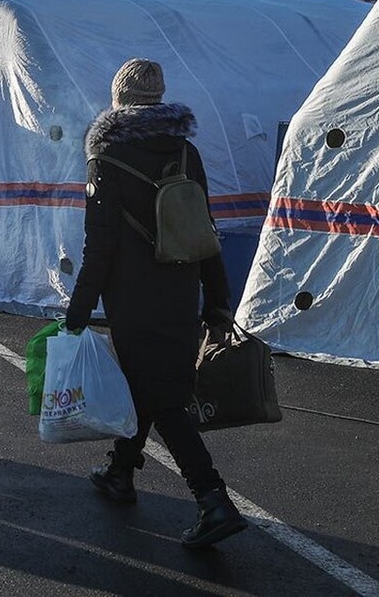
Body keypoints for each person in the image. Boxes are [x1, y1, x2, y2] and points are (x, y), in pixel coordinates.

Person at [65, 58, 248, 549]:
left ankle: (213, 500)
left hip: (134, 299)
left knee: (164, 400)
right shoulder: (185, 151)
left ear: (117, 100)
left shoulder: (106, 157)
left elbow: (99, 246)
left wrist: (77, 312)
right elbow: (204, 229)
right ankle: (121, 472)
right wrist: (218, 301)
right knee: (148, 385)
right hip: (182, 291)